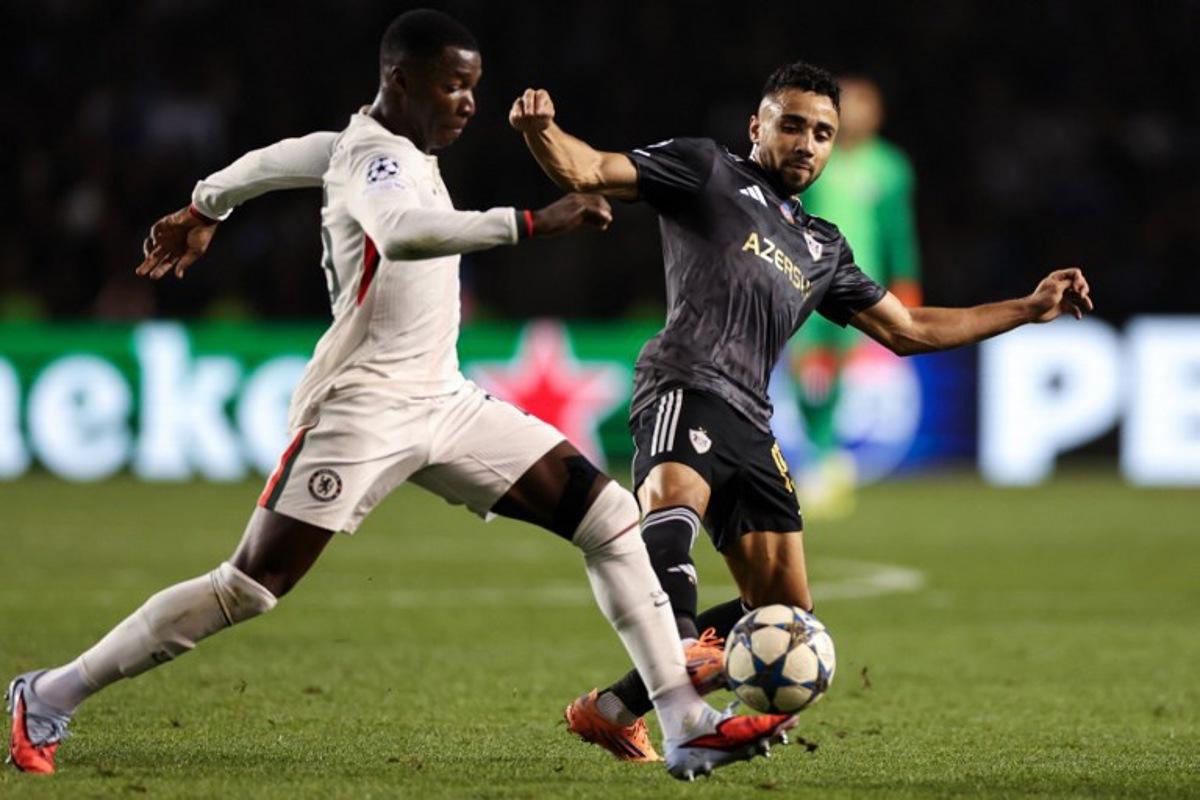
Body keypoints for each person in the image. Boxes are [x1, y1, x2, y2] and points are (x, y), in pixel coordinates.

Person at [6, 10, 794, 781]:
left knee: (611, 518)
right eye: (452, 85)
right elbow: (404, 231)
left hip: (443, 401)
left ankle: (684, 722)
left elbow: (283, 157)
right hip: (361, 406)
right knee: (249, 586)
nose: (468, 102)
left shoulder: (369, 143)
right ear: (400, 79)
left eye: (473, 86)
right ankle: (46, 695)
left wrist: (207, 203)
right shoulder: (379, 159)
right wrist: (532, 222)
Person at [506, 60, 1092, 761]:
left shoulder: (822, 246)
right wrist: (543, 133)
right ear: (757, 126)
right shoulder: (705, 170)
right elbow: (590, 169)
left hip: (752, 419)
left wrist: (1027, 309)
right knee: (672, 503)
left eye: (822, 132)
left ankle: (612, 707)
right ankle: (684, 648)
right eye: (792, 125)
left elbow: (907, 329)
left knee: (784, 613)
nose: (807, 143)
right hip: (683, 381)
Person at [790, 76, 923, 518]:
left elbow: (898, 230)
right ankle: (823, 455)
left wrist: (906, 279)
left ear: (877, 115)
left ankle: (823, 460)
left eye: (865, 107)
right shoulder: (813, 156)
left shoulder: (890, 166)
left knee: (839, 373)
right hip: (804, 277)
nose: (857, 116)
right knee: (803, 369)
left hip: (859, 283)